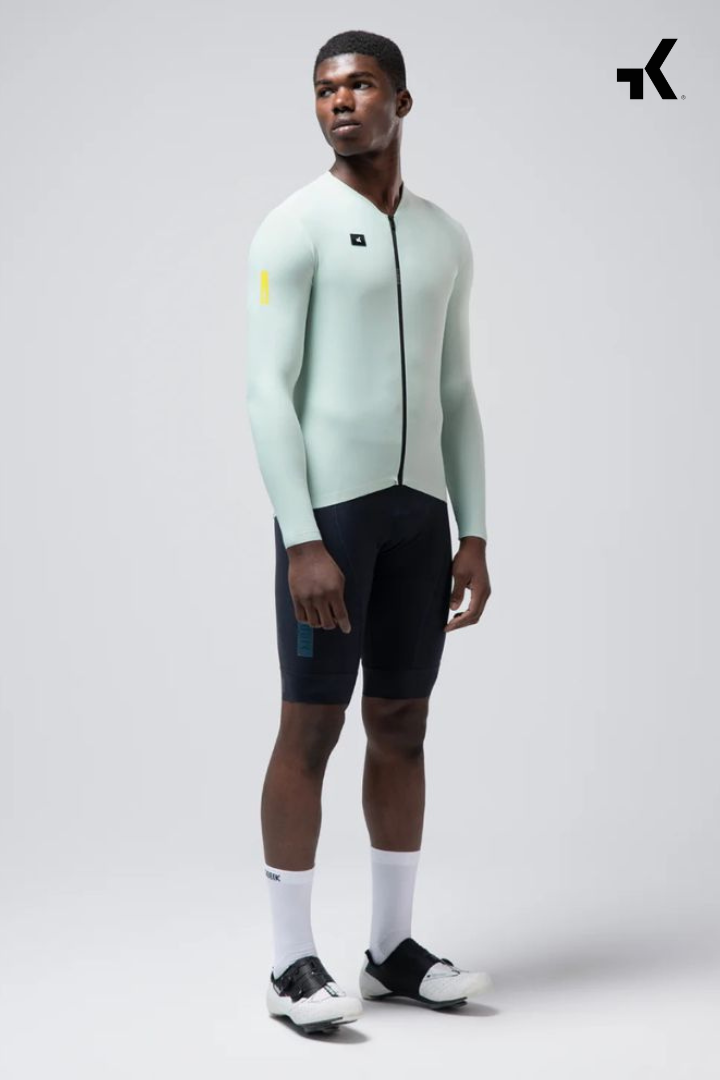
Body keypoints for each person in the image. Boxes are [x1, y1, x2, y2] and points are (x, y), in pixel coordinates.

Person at [245, 29, 493, 1035]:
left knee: (402, 722)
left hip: (420, 518)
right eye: (323, 90)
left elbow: (457, 391)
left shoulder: (444, 237)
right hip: (333, 523)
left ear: (402, 100)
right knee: (311, 726)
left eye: (358, 85)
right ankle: (288, 964)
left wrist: (474, 531)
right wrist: (300, 537)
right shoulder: (293, 227)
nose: (339, 103)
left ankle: (391, 951)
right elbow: (266, 392)